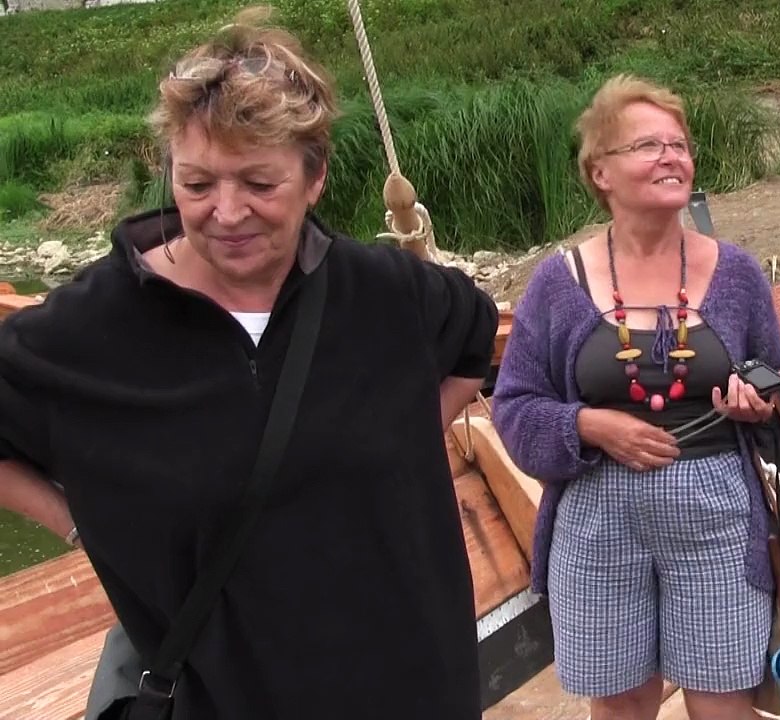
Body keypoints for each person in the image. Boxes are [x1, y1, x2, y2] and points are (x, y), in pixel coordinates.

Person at [0, 8, 498, 719]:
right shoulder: (90, 327)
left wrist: (399, 447)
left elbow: (474, 340)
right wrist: (80, 521)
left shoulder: (387, 294)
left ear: (315, 177)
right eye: (197, 184)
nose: (227, 213)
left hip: (413, 687)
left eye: (259, 184)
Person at [491, 74, 780, 720]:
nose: (671, 157)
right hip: (596, 520)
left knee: (722, 701)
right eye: (648, 145)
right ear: (600, 171)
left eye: (679, 145)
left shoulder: (737, 274)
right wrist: (590, 426)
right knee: (623, 704)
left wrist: (759, 402)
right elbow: (514, 406)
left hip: (716, 513)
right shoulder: (558, 283)